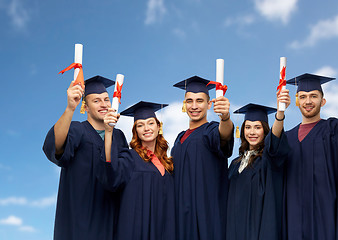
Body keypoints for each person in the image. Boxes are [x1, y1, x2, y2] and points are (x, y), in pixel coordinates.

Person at [283, 61, 338, 240]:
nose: (308, 101)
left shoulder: (334, 131)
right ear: (297, 102)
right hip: (292, 222)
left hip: (326, 220)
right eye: (303, 96)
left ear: (323, 101)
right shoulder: (285, 139)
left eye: (314, 96)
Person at [43, 76, 128, 240]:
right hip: (80, 220)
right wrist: (70, 108)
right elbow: (56, 148)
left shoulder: (118, 137)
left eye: (106, 99)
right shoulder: (77, 129)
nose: (103, 104)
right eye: (96, 101)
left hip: (112, 218)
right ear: (85, 107)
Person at [99, 101, 175, 240]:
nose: (146, 128)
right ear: (136, 131)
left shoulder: (167, 164)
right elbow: (111, 174)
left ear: (159, 126)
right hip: (136, 232)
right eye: (140, 125)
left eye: (151, 123)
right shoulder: (130, 158)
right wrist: (108, 132)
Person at [171, 75, 234, 240]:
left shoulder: (211, 130)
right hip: (182, 216)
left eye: (199, 101)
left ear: (209, 104)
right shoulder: (179, 138)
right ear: (184, 105)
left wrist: (225, 117)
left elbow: (224, 135)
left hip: (207, 215)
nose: (194, 106)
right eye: (189, 101)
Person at [226, 88, 291, 240]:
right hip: (234, 230)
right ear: (242, 131)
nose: (252, 132)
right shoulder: (235, 164)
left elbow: (275, 143)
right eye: (248, 127)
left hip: (259, 230)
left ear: (265, 131)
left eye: (257, 127)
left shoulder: (268, 160)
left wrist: (280, 114)